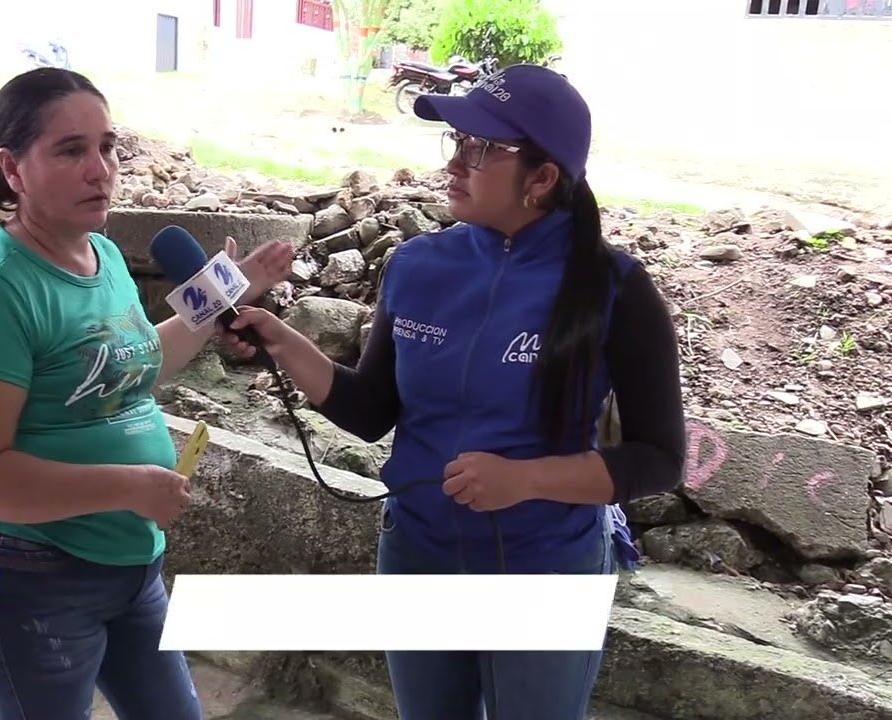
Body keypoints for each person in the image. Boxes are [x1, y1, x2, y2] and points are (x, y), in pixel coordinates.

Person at [218, 64, 686, 720]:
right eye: (456, 143)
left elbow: (659, 457)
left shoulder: (616, 290)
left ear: (543, 179)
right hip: (417, 553)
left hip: (545, 569)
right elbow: (372, 410)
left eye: (481, 149)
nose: (455, 163)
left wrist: (525, 481)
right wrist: (280, 340)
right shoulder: (416, 267)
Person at [0, 67, 292, 720]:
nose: (101, 170)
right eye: (70, 150)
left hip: (128, 565)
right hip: (26, 571)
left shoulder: (103, 255)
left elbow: (134, 368)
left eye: (106, 146)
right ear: (13, 168)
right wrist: (127, 486)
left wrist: (226, 288)